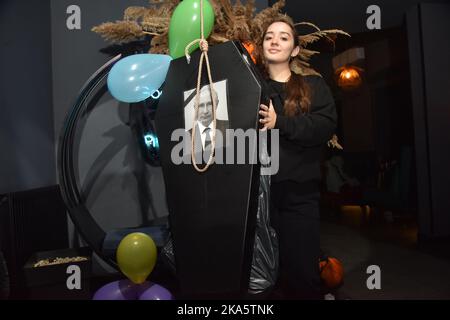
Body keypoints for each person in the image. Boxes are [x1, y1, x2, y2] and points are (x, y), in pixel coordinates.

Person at [256, 16, 337, 299]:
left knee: (303, 275)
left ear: (294, 51)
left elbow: (324, 125)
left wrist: (282, 123)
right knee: (268, 277)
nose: (274, 40)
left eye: (283, 37)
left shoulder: (313, 86)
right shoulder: (253, 89)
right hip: (258, 201)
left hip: (299, 195)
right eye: (269, 36)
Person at [188, 84, 228, 162]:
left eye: (209, 104)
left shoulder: (228, 128)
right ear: (195, 108)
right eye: (201, 105)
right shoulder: (188, 135)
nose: (205, 111)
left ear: (216, 104)